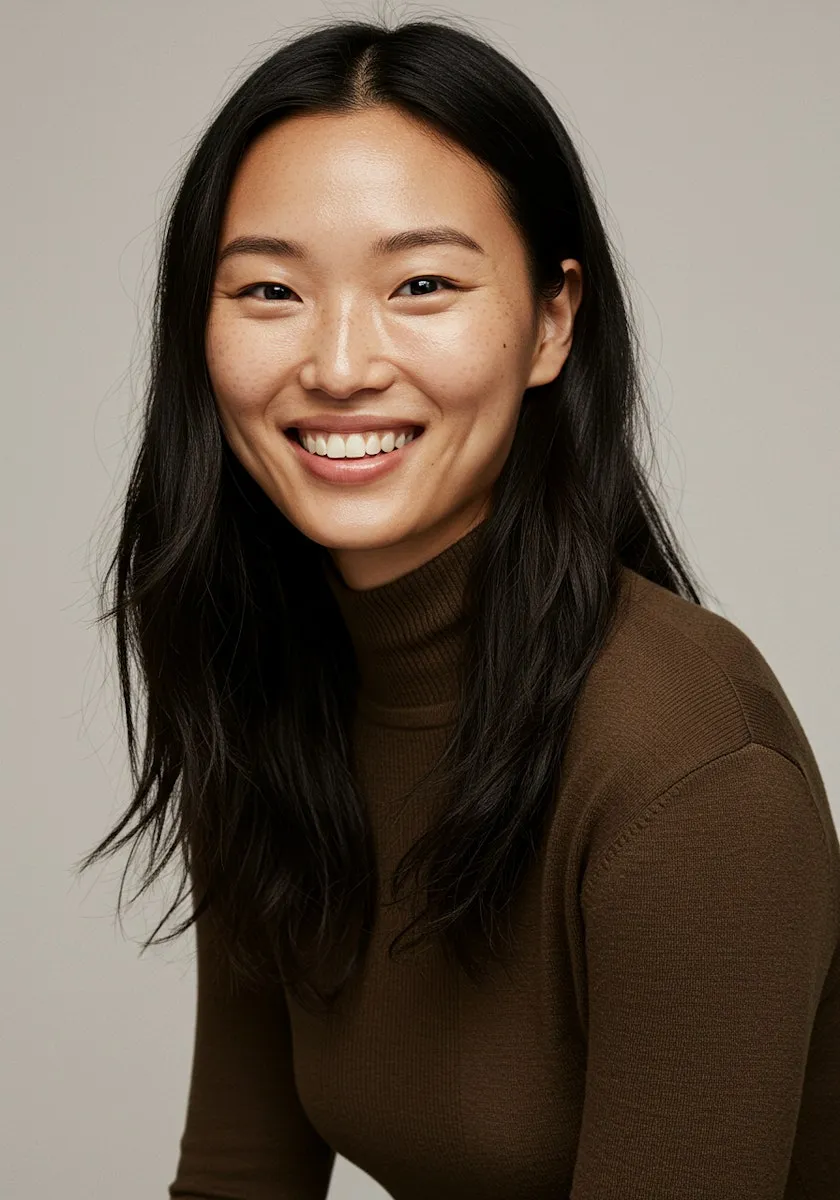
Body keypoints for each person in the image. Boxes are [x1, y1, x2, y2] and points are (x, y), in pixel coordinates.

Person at [77, 15, 840, 1199]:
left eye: (421, 284)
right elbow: (238, 1177)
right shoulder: (268, 688)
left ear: (551, 321)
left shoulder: (690, 773)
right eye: (271, 288)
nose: (337, 364)